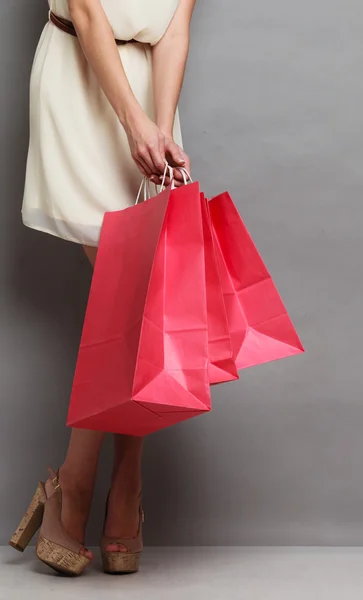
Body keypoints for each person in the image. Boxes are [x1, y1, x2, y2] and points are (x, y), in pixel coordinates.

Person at [10, 0, 196, 576]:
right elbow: (88, 15)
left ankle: (100, 486)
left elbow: (174, 24)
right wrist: (134, 123)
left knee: (143, 293)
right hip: (81, 80)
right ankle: (96, 486)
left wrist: (159, 127)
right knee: (131, 291)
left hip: (149, 91)